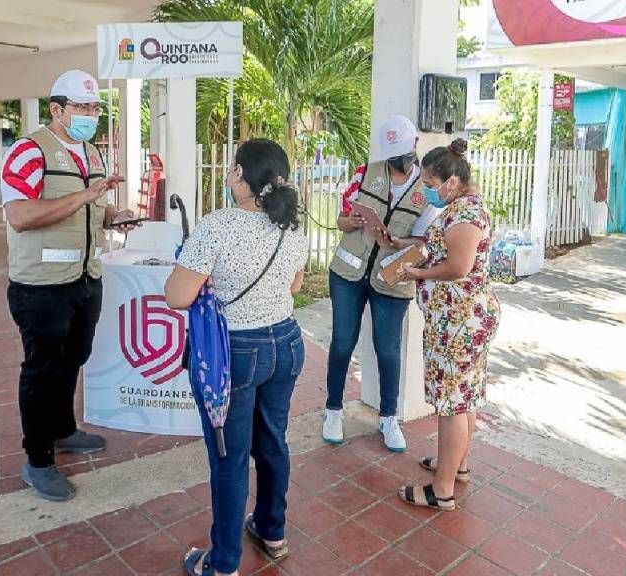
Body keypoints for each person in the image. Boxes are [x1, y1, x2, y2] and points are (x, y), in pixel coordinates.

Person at [164, 139, 309, 576]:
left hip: (237, 354)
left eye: (232, 169)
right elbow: (295, 286)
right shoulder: (293, 225)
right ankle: (271, 530)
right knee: (273, 442)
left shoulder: (216, 226)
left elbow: (177, 296)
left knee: (229, 458)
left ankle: (223, 563)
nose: (228, 176)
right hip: (286, 344)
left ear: (242, 176)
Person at [1, 69, 137, 501]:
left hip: (85, 277)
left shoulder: (91, 154)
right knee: (41, 370)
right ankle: (37, 460)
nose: (90, 115)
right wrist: (85, 198)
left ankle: (61, 430)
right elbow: (20, 216)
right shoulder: (28, 151)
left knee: (72, 359)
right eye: (82, 107)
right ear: (56, 110)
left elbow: (89, 209)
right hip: (41, 285)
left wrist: (114, 215)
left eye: (95, 108)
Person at [322, 115, 441, 452]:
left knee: (387, 350)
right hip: (349, 273)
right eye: (392, 157)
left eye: (403, 154)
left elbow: (428, 242)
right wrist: (353, 220)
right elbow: (341, 220)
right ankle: (333, 410)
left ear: (415, 146)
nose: (397, 163)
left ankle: (389, 417)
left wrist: (400, 243)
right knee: (343, 343)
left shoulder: (429, 191)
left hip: (393, 279)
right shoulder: (366, 173)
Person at [394, 139, 501, 512]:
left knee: (452, 404)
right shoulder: (462, 207)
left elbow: (458, 268)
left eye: (428, 182)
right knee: (465, 395)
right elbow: (446, 251)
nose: (424, 189)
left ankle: (441, 489)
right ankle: (457, 465)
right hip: (463, 318)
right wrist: (411, 247)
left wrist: (416, 272)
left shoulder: (466, 215)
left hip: (459, 321)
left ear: (451, 181)